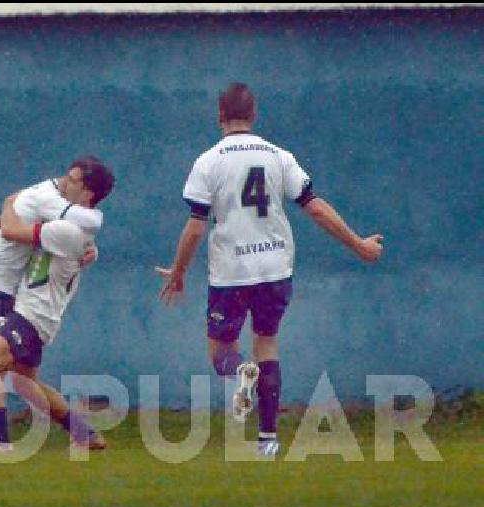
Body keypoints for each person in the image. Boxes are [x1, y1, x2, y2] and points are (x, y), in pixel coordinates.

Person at [156, 82, 383, 457]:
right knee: (267, 342)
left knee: (220, 351)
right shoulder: (279, 155)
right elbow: (315, 207)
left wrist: (179, 272)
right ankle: (268, 441)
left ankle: (241, 372)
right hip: (276, 267)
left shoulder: (208, 161)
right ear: (254, 114)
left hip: (232, 271)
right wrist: (358, 243)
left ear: (219, 116)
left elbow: (196, 225)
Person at [0, 159, 115, 455]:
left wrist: (10, 204)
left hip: (33, 314)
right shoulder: (70, 229)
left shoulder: (68, 231)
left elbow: (14, 231)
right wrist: (1, 220)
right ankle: (82, 433)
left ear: (87, 195)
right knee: (24, 381)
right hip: (39, 315)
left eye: (72, 180)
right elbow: (30, 232)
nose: (63, 181)